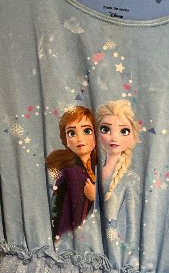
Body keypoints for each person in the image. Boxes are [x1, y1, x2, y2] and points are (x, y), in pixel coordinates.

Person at [96, 100, 141, 264]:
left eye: (124, 131)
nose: (114, 137)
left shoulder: (130, 179)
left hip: (114, 251)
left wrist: (129, 257)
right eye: (105, 129)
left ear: (133, 138)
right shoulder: (92, 172)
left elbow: (132, 224)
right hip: (89, 244)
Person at [46, 106, 96, 240]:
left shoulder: (99, 169)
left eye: (87, 131)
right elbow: (56, 210)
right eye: (72, 133)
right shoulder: (69, 173)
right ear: (66, 141)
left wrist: (94, 197)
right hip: (73, 240)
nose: (80, 138)